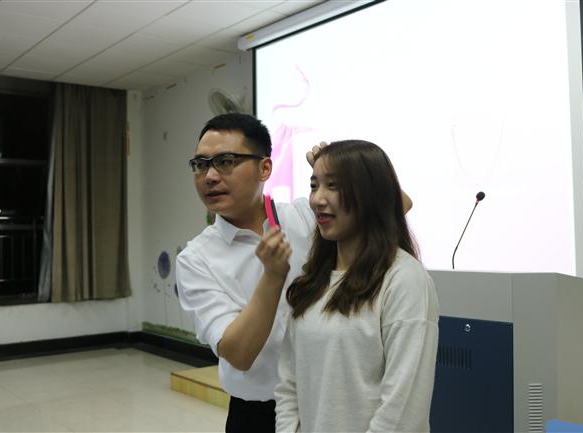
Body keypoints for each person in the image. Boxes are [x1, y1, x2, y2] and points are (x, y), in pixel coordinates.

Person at [275, 140, 440, 433]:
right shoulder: (311, 282)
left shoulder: (404, 279)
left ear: (370, 194)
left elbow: (403, 409)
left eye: (333, 186)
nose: (317, 199)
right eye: (314, 186)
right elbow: (289, 385)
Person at [176, 113, 315, 433]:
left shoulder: (305, 217)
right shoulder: (196, 259)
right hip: (257, 415)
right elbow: (238, 354)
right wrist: (273, 276)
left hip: (327, 399)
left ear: (264, 168)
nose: (210, 176)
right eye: (200, 164)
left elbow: (394, 210)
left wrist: (343, 174)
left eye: (225, 162)